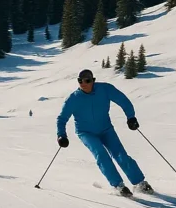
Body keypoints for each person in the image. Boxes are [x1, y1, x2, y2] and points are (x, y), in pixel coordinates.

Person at [56, 69, 152, 197]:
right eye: (80, 80)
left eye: (87, 80)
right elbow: (61, 119)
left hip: (106, 129)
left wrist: (131, 117)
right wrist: (61, 135)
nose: (83, 83)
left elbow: (123, 101)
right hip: (86, 133)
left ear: (93, 81)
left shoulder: (105, 89)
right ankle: (118, 185)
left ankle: (140, 183)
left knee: (121, 155)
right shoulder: (73, 99)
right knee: (101, 155)